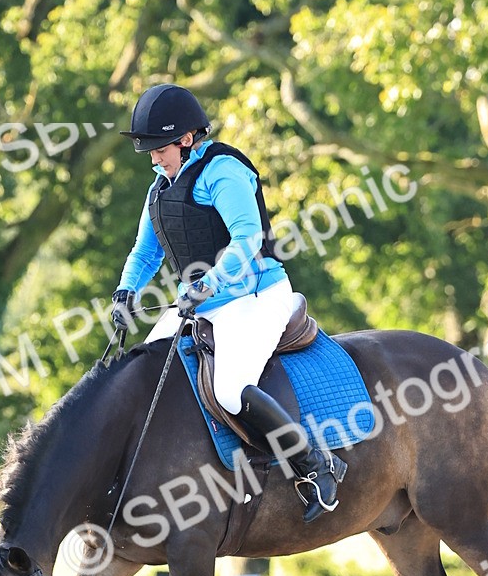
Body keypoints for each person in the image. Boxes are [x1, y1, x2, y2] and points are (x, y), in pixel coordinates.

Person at [111, 83, 346, 522]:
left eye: (159, 149)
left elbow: (247, 239)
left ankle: (317, 465)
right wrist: (126, 292)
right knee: (145, 369)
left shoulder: (223, 172)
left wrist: (208, 284)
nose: (154, 159)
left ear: (186, 139)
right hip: (205, 302)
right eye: (149, 151)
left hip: (257, 295)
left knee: (230, 389)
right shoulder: (159, 188)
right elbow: (146, 252)